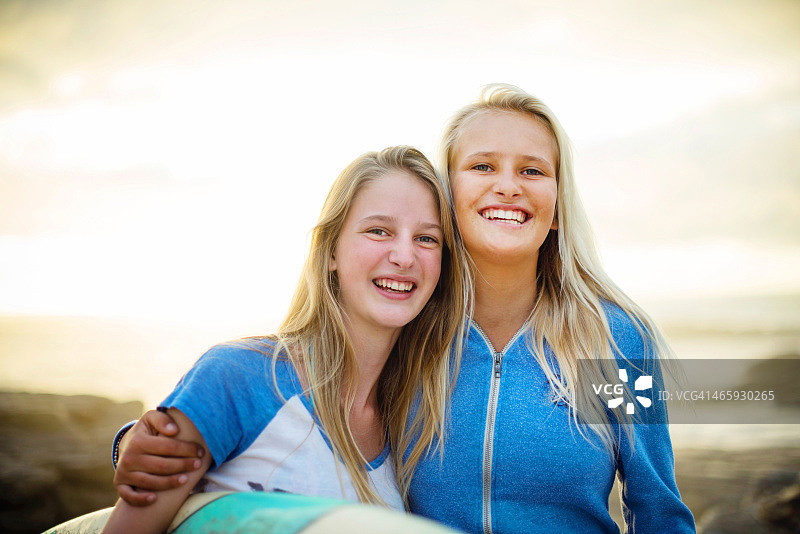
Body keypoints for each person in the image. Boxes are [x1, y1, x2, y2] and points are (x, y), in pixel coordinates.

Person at [111, 85, 696, 533]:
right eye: (482, 166)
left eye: (533, 170)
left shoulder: (612, 339)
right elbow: (313, 399)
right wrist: (151, 437)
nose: (508, 186)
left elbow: (657, 506)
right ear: (449, 198)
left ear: (559, 204)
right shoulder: (417, 330)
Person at [102, 146, 469, 533]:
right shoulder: (236, 377)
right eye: (379, 231)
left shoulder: (415, 429)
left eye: (427, 239)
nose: (404, 256)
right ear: (331, 250)